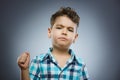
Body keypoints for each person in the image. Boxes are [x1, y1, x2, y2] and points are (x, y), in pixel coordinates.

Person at [17, 7, 89, 80]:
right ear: (49, 32)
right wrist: (24, 70)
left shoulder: (81, 65)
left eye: (70, 30)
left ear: (75, 37)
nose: (64, 32)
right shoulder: (38, 61)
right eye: (59, 27)